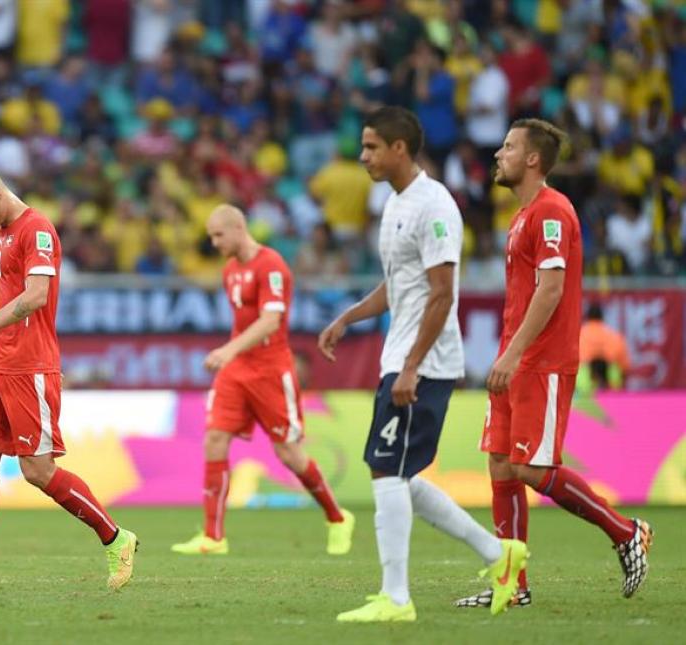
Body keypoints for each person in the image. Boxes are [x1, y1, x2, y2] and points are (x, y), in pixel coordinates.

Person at [319, 107, 527, 623]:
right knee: (395, 472)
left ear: (399, 149)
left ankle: (395, 599)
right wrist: (348, 316)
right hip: (404, 355)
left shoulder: (435, 206)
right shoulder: (395, 203)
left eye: (371, 147)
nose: (363, 156)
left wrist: (412, 366)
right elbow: (399, 285)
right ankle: (498, 554)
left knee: (386, 468)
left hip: (425, 361)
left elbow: (441, 293)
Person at [456, 119, 652, 610]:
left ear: (532, 159)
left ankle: (625, 532)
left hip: (540, 360)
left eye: (508, 147)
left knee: (531, 467)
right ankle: (512, 585)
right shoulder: (521, 216)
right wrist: (508, 353)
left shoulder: (551, 211)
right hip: (515, 357)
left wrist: (513, 353)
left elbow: (551, 290)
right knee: (501, 463)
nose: (498, 154)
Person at [0, 167, 137, 591]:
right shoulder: (0, 234)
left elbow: (36, 296)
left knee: (37, 470)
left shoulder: (37, 230)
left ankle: (115, 537)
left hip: (28, 367)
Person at [171, 204, 355, 556]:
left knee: (288, 453)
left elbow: (271, 321)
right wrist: (232, 354)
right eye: (211, 236)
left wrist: (228, 349)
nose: (214, 242)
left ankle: (337, 518)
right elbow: (244, 321)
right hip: (237, 370)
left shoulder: (271, 265)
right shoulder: (230, 270)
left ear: (239, 229)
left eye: (218, 235)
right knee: (214, 439)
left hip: (270, 370)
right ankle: (213, 537)